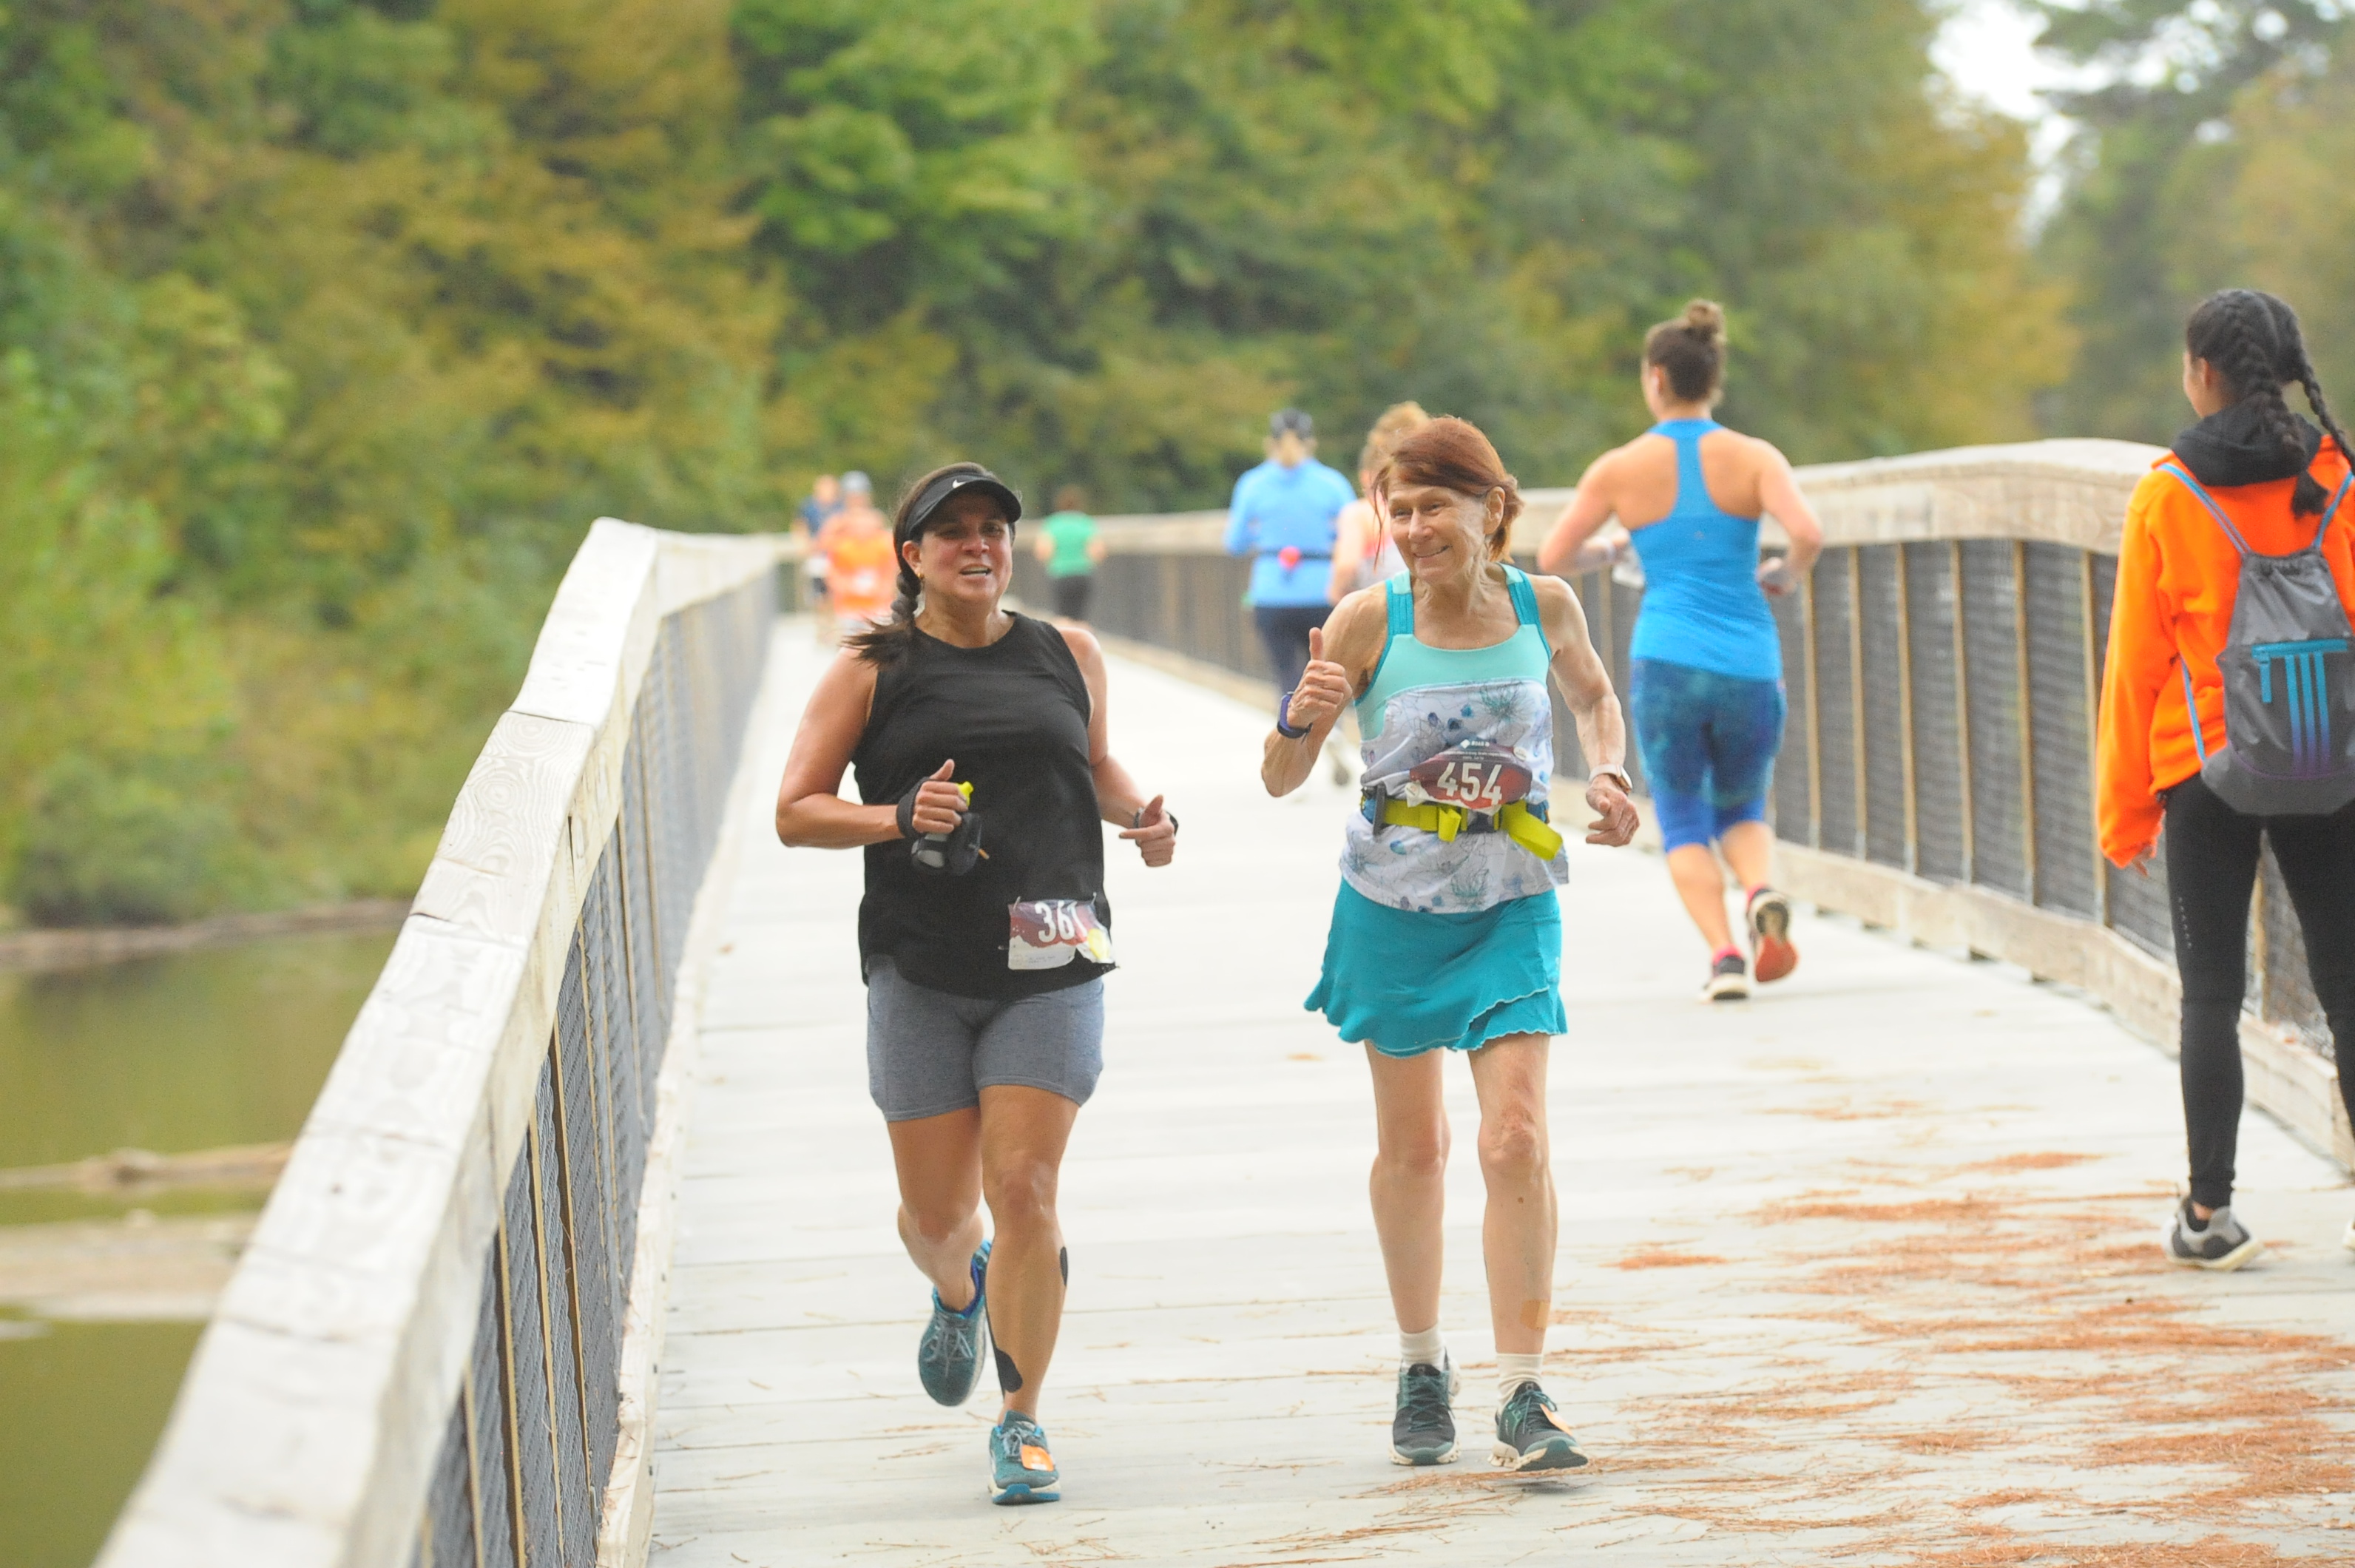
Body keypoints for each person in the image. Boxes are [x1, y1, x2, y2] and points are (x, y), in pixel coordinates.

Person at [774, 463, 1179, 1503]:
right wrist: (898, 818)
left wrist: (1141, 814)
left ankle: (1022, 1419)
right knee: (940, 1216)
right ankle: (962, 1289)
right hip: (919, 963)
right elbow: (797, 810)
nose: (978, 545)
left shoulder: (1067, 651)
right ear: (911, 557)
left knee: (1027, 1189)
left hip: (1052, 950)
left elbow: (1093, 766)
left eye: (993, 528)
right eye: (951, 532)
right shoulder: (871, 670)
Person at [1266, 417, 1641, 1474]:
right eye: (1401, 509)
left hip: (1512, 900)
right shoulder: (1362, 620)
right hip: (1391, 908)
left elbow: (1595, 699)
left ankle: (1523, 1390)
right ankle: (1421, 1362)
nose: (1416, 528)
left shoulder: (1544, 604)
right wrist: (1303, 716)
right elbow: (1277, 776)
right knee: (1416, 1149)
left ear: (1492, 509)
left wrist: (1609, 776)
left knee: (1513, 1138)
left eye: (1436, 507)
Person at [2096, 287, 2355, 1271]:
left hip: (2204, 767)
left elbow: (2136, 668)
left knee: (2211, 991)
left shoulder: (2169, 492)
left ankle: (2210, 1214)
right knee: (2347, 980)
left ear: (2202, 374)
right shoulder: (2334, 477)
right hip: (2331, 757)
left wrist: (2124, 815)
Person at [1538, 300, 1823, 1001]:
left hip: (1666, 661)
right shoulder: (1755, 458)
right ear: (1712, 379)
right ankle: (1759, 891)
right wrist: (1785, 573)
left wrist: (1612, 548)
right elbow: (1808, 532)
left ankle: (1725, 956)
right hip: (1749, 663)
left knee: (1684, 817)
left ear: (1656, 378)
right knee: (1742, 806)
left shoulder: (1620, 468)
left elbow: (1554, 553)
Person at [1226, 408, 1356, 695]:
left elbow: (1234, 543)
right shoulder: (1333, 483)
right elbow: (1352, 533)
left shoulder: (1252, 483)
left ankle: (1290, 728)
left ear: (1269, 443)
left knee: (1286, 675)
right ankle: (1329, 731)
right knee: (1324, 672)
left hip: (1271, 593)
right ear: (1311, 443)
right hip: (1322, 592)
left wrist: (1264, 535)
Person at [1328, 402, 1430, 604]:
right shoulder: (1432, 508)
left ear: (1368, 476)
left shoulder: (1362, 513)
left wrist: (1334, 593)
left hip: (1384, 613)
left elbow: (1346, 565)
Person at [820, 471, 896, 641]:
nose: (856, 500)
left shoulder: (878, 524)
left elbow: (891, 565)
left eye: (859, 495)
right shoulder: (838, 526)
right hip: (848, 606)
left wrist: (885, 587)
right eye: (852, 496)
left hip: (878, 605)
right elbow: (826, 554)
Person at [1035, 486, 1106, 622]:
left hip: (1060, 575)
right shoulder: (1086, 523)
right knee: (1081, 618)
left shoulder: (1052, 524)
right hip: (1082, 575)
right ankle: (1084, 641)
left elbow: (1043, 552)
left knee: (1062, 617)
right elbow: (1098, 552)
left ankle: (1064, 642)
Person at [798, 473, 842, 612]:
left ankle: (832, 624)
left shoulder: (840, 507)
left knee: (834, 591)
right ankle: (822, 625)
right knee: (818, 592)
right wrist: (806, 544)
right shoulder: (809, 507)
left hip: (835, 555)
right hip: (817, 554)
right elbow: (800, 526)